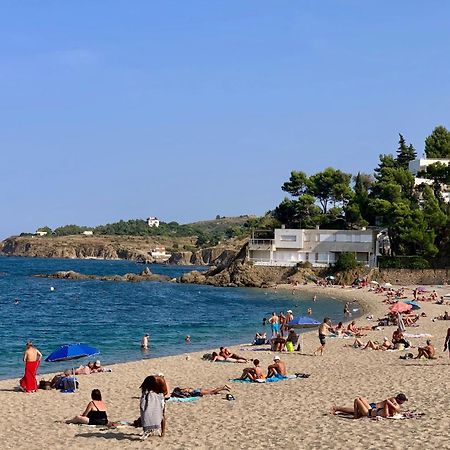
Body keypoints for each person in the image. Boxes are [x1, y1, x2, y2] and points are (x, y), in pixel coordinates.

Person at [332, 393, 408, 419]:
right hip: (373, 407)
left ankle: (337, 408)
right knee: (355, 408)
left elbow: (395, 410)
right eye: (403, 401)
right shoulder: (393, 400)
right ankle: (338, 409)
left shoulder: (390, 408)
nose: (403, 402)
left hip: (373, 409)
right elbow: (396, 409)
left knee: (355, 408)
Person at [139, 375, 166, 439]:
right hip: (158, 396)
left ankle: (162, 432)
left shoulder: (155, 384)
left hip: (160, 397)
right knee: (160, 414)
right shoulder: (150, 385)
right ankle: (157, 431)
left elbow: (164, 393)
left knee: (161, 414)